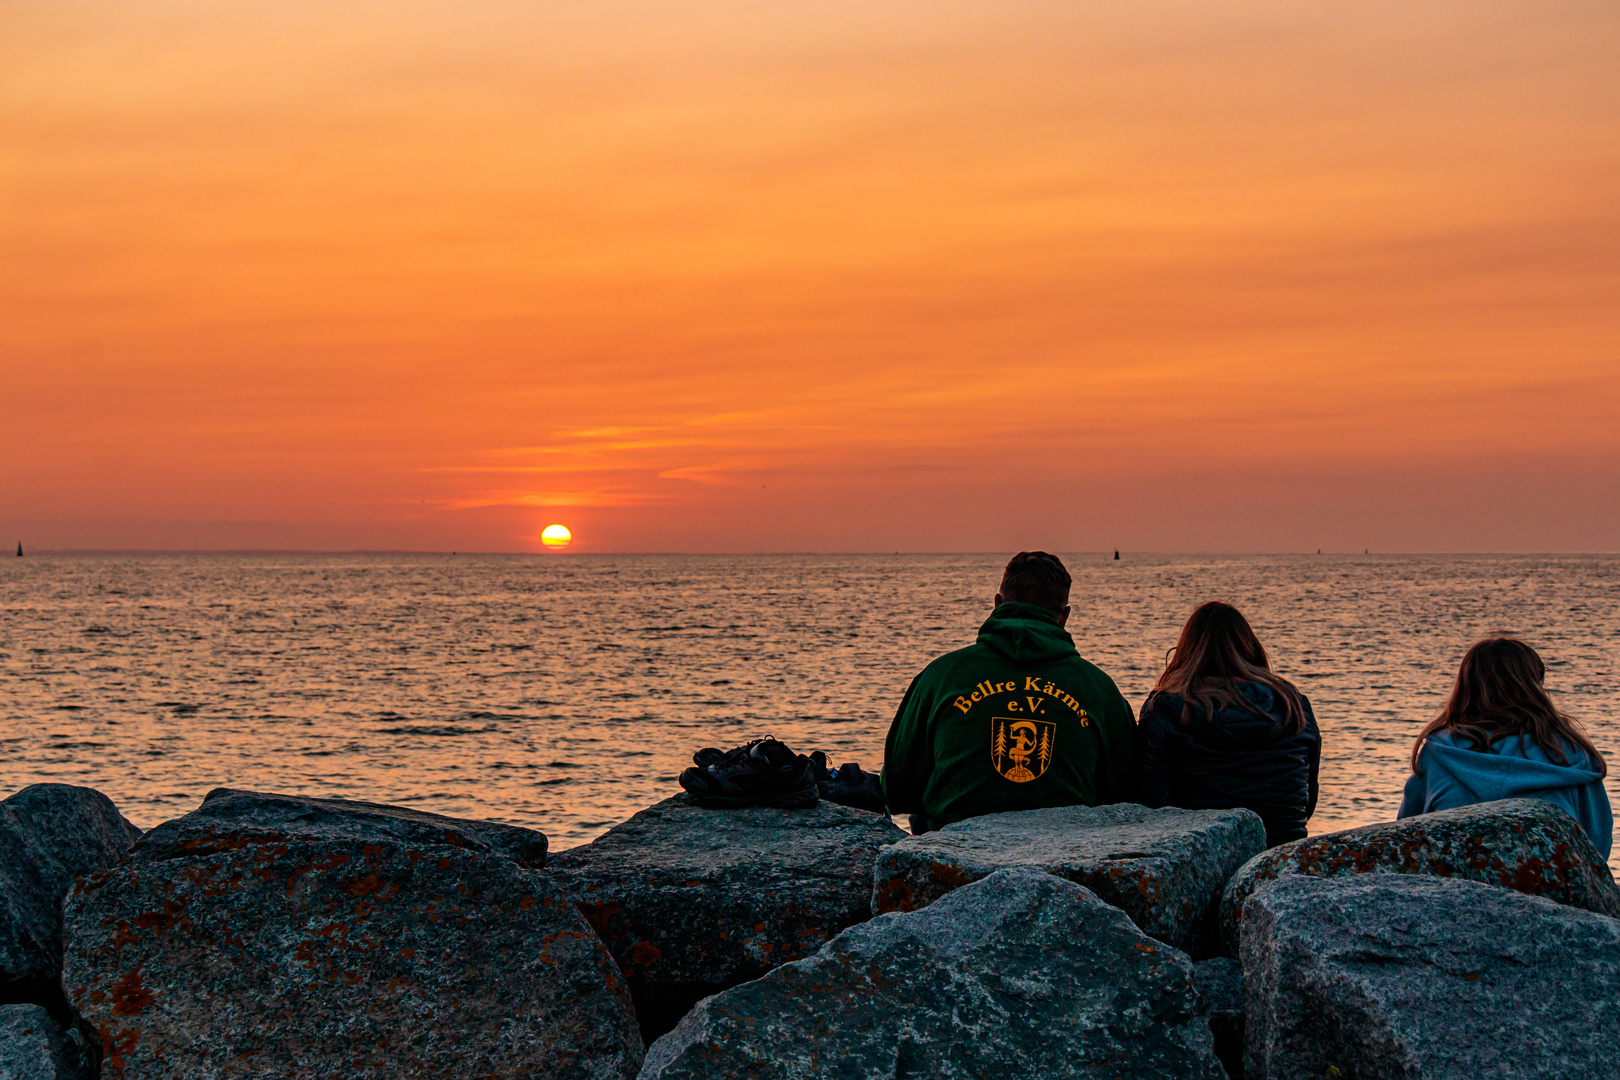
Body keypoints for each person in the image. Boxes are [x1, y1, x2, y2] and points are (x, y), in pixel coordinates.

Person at [880, 551, 1136, 834]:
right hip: (1064, 854)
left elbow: (896, 790)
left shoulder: (940, 677)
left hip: (956, 851)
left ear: (997, 603)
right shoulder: (1101, 690)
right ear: (1064, 616)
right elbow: (1126, 794)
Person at [1399, 637, 1611, 858]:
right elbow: (1597, 842)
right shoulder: (1568, 753)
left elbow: (1405, 836)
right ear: (1533, 687)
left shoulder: (1439, 752)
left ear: (1466, 688)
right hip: (1549, 885)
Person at [1136, 602, 1320, 847]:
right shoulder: (1292, 704)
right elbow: (1307, 801)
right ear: (1250, 647)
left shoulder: (1166, 709)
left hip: (1200, 855)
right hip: (1282, 853)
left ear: (1187, 651)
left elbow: (1152, 803)